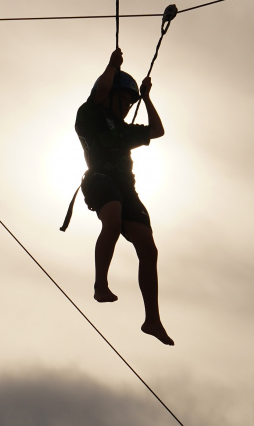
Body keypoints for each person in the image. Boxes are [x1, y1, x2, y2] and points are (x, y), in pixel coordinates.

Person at [74, 47, 173, 346]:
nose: (129, 108)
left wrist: (146, 96)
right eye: (126, 100)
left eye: (132, 104)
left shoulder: (125, 131)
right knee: (113, 217)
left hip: (126, 188)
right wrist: (112, 66)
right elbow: (102, 89)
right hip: (100, 180)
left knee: (148, 248)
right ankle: (100, 284)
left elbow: (157, 130)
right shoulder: (89, 113)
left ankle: (152, 319)